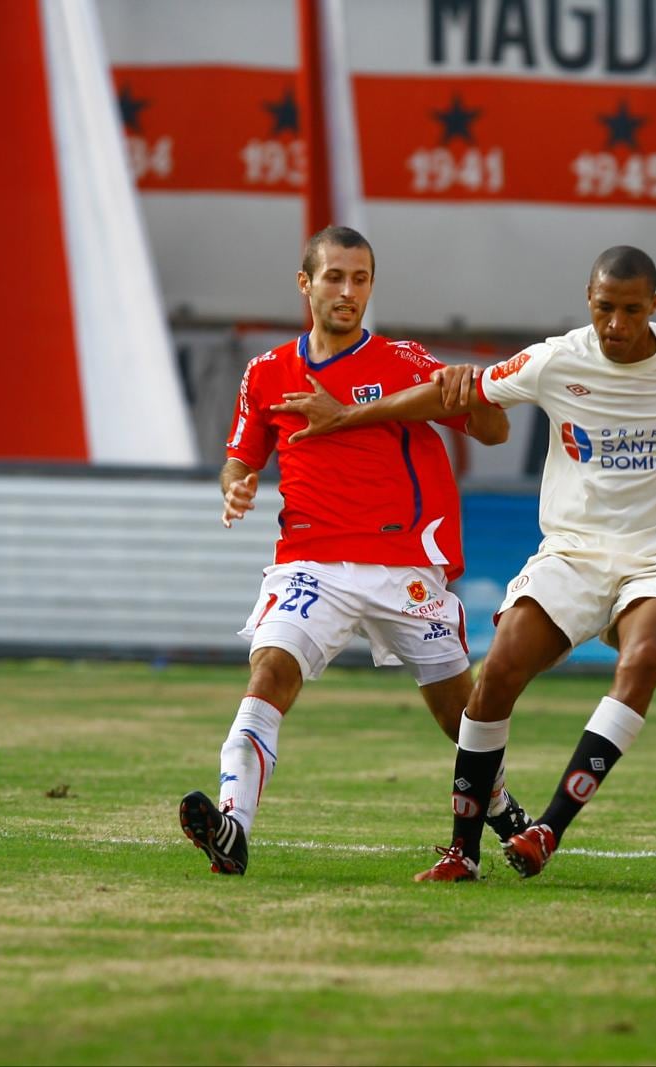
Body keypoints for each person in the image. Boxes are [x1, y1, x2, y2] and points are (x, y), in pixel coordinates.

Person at [272, 245, 656, 882]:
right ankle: (462, 852)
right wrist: (349, 416)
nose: (616, 324)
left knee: (641, 659)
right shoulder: (557, 360)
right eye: (605, 308)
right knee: (498, 672)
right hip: (573, 554)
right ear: (589, 301)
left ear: (655, 307)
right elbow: (457, 392)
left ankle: (547, 831)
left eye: (632, 311)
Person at [178, 225, 529, 877]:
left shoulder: (402, 362)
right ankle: (232, 823)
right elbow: (237, 459)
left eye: (360, 278)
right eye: (334, 277)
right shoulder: (266, 373)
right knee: (269, 673)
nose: (348, 291)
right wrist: (239, 484)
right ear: (304, 282)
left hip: (404, 567)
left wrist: (467, 392)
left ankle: (502, 807)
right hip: (309, 561)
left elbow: (495, 428)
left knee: (464, 717)